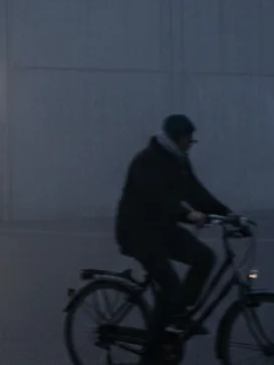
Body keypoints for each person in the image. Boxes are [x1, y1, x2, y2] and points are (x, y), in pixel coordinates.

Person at [115, 114, 234, 364]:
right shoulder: (147, 160)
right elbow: (156, 198)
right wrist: (187, 214)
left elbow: (196, 192)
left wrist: (230, 216)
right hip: (137, 232)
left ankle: (178, 316)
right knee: (170, 285)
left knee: (204, 257)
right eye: (188, 139)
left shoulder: (179, 160)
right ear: (176, 138)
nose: (191, 144)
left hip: (162, 229)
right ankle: (151, 353)